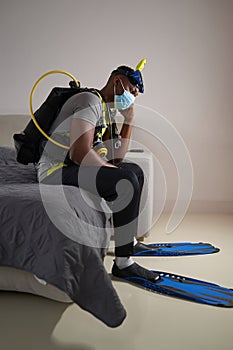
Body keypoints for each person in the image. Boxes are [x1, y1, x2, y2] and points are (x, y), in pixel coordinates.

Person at [36, 63, 160, 282]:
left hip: (74, 167)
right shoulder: (89, 101)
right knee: (126, 179)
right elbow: (79, 153)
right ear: (117, 82)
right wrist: (111, 169)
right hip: (56, 171)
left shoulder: (106, 109)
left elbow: (117, 157)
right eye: (131, 91)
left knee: (135, 172)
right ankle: (124, 264)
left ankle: (126, 242)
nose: (133, 97)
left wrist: (128, 119)